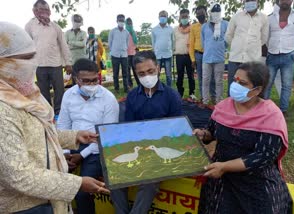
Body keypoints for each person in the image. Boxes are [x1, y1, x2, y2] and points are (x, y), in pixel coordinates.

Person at [0, 21, 108, 214]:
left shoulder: (25, 90)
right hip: (22, 206)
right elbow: (18, 175)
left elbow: (39, 133)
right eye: (26, 58)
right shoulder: (3, 109)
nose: (33, 63)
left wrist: (73, 137)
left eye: (34, 55)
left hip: (48, 194)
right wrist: (77, 183)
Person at [194, 62, 292, 213]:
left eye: (242, 83)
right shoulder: (223, 107)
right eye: (235, 80)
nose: (235, 85)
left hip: (256, 178)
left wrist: (225, 166)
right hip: (221, 177)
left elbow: (263, 156)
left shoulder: (270, 115)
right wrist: (203, 134)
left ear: (257, 89)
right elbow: (211, 133)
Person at [110, 50, 182, 214]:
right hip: (138, 147)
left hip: (161, 148)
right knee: (115, 179)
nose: (147, 76)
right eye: (141, 73)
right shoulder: (133, 96)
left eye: (150, 71)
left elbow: (177, 129)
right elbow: (128, 127)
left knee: (149, 182)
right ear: (136, 74)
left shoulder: (171, 95)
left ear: (158, 68)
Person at [57, 58, 119, 214]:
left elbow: (106, 136)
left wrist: (81, 156)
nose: (91, 85)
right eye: (86, 81)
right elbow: (63, 126)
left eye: (94, 80)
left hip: (96, 150)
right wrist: (64, 154)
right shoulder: (68, 95)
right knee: (54, 184)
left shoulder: (108, 99)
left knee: (82, 192)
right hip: (71, 144)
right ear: (75, 79)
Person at [25, 0, 73, 118]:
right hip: (39, 65)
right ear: (35, 11)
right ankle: (48, 114)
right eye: (42, 9)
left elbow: (63, 45)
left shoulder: (55, 26)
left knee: (59, 90)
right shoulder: (30, 26)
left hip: (56, 64)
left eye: (47, 9)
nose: (45, 12)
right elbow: (26, 45)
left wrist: (68, 63)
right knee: (43, 91)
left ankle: (59, 112)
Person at [265, 0, 294, 117]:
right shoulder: (270, 17)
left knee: (287, 85)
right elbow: (266, 36)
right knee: (267, 83)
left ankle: (283, 110)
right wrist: (270, 48)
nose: (285, 1)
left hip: (289, 55)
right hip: (272, 55)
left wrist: (293, 50)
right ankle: (263, 108)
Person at [225, 0, 269, 95]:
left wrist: (252, 47)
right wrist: (237, 45)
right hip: (235, 58)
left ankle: (249, 108)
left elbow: (264, 38)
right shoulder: (237, 16)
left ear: (257, 2)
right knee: (233, 86)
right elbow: (228, 35)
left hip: (252, 60)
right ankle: (230, 108)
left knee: (250, 86)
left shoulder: (263, 18)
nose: (249, 2)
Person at [201, 3, 228, 104]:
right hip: (207, 58)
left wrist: (221, 48)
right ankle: (205, 101)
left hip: (219, 57)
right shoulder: (204, 26)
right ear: (210, 13)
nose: (216, 13)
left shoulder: (225, 24)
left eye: (218, 11)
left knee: (219, 81)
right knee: (205, 80)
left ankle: (219, 101)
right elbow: (203, 42)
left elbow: (227, 40)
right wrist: (209, 49)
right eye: (214, 12)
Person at [189, 5, 215, 102]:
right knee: (200, 77)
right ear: (196, 15)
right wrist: (193, 59)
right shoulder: (193, 27)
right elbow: (191, 44)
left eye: (202, 13)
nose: (200, 15)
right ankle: (204, 97)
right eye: (198, 13)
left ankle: (213, 96)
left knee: (211, 77)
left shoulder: (211, 25)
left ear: (206, 13)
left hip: (209, 55)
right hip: (198, 55)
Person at [173, 9, 195, 98]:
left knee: (191, 75)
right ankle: (179, 93)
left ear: (188, 17)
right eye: (182, 17)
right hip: (179, 56)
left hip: (190, 56)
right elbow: (173, 42)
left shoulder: (192, 28)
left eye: (186, 17)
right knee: (180, 75)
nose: (184, 18)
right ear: (179, 18)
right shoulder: (175, 30)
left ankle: (192, 93)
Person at [152, 10, 174, 87]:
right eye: (161, 16)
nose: (163, 18)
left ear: (167, 18)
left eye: (164, 16)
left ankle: (169, 89)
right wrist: (154, 52)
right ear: (158, 17)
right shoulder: (154, 29)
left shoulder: (171, 29)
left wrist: (172, 51)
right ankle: (157, 89)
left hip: (168, 54)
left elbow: (172, 41)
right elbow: (153, 42)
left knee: (168, 75)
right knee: (156, 74)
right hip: (158, 55)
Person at [109, 14, 130, 93]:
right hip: (115, 55)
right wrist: (113, 51)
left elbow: (127, 43)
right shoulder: (112, 31)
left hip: (124, 55)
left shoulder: (126, 32)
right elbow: (110, 43)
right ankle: (116, 88)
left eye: (122, 20)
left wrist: (124, 49)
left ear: (124, 21)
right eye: (120, 20)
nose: (121, 22)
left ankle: (126, 88)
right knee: (115, 73)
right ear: (117, 21)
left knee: (125, 72)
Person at [126, 17, 140, 87]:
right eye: (128, 23)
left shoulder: (134, 32)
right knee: (127, 71)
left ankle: (139, 83)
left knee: (135, 69)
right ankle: (129, 84)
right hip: (126, 54)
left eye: (130, 23)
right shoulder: (124, 32)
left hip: (134, 53)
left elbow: (136, 42)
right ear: (126, 24)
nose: (129, 24)